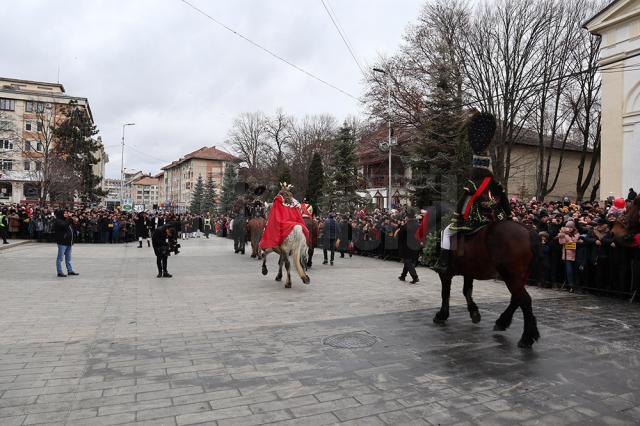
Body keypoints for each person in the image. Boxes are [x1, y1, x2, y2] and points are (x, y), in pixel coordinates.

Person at [435, 112, 510, 274]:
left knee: (446, 232)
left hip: (475, 219)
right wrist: (509, 216)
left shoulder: (472, 183)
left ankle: (443, 262)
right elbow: (504, 200)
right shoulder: (495, 183)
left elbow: (463, 203)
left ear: (475, 167)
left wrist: (457, 216)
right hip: (495, 218)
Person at [397, 210, 421, 284]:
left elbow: (400, 236)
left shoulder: (405, 226)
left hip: (407, 247)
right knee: (408, 261)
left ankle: (415, 276)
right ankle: (403, 276)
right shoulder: (418, 225)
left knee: (408, 261)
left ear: (408, 217)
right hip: (416, 245)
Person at [54, 209, 78, 277]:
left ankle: (70, 271)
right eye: (65, 213)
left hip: (69, 242)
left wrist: (73, 222)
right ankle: (59, 271)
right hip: (62, 242)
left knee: (68, 258)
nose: (67, 214)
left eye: (67, 213)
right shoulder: (58, 221)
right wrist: (69, 219)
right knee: (60, 258)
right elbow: (64, 226)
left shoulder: (66, 221)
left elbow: (72, 228)